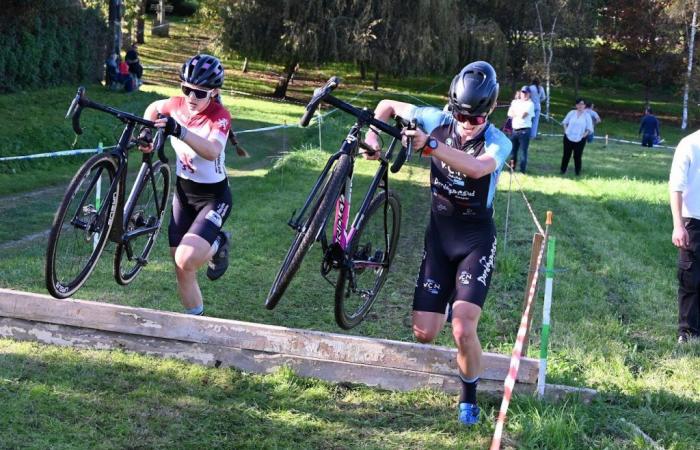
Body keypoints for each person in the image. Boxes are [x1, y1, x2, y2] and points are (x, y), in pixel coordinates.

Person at [364, 61, 511, 426]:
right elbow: (386, 105)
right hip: (439, 238)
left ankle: (469, 398)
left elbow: (477, 169)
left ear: (491, 110)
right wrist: (374, 137)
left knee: (463, 328)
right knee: (424, 333)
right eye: (461, 114)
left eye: (475, 118)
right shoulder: (435, 119)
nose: (466, 123)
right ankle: (449, 300)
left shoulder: (498, 140)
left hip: (475, 240)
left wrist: (429, 145)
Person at [139, 54, 232, 316]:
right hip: (183, 193)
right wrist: (147, 131)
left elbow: (212, 150)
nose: (191, 97)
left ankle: (218, 243)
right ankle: (196, 322)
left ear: (213, 93)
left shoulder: (219, 116)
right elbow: (154, 108)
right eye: (186, 89)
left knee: (185, 257)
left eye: (199, 93)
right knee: (180, 265)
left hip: (213, 197)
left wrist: (179, 131)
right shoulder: (177, 105)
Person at [669, 130, 700, 344]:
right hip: (694, 220)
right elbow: (676, 187)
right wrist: (678, 225)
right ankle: (687, 333)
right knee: (691, 279)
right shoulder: (689, 144)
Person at [560, 98, 593, 176]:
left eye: (582, 104)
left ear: (585, 105)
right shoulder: (571, 113)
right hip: (568, 137)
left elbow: (589, 128)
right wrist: (566, 131)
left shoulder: (587, 116)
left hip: (580, 138)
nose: (580, 106)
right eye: (579, 104)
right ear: (576, 105)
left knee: (577, 156)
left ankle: (577, 172)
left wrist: (584, 136)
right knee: (566, 155)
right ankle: (562, 170)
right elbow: (565, 122)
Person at [506, 86, 535, 173]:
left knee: (523, 151)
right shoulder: (515, 102)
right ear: (520, 93)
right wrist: (516, 113)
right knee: (513, 151)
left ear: (529, 94)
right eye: (523, 92)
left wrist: (515, 112)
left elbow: (523, 115)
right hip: (514, 130)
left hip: (524, 130)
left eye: (526, 93)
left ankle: (522, 170)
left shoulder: (530, 104)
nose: (524, 94)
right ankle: (511, 168)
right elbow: (509, 114)